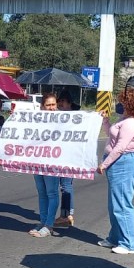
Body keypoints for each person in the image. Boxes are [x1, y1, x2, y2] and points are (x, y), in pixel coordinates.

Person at [96, 87, 134, 253]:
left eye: (122, 101)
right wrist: (106, 121)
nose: (119, 104)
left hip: (124, 163)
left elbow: (120, 148)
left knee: (122, 204)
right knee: (114, 204)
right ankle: (115, 237)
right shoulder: (124, 119)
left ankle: (128, 244)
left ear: (129, 103)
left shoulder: (131, 123)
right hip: (117, 163)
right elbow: (111, 137)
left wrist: (104, 164)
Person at [29, 92, 61, 238]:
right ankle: (43, 221)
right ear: (43, 106)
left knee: (52, 193)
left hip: (53, 162)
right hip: (38, 161)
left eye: (53, 104)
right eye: (48, 105)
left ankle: (49, 225)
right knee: (42, 193)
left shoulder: (64, 119)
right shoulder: (37, 119)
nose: (51, 108)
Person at [54, 89, 77, 228]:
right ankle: (66, 214)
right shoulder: (57, 116)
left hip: (70, 156)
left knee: (66, 185)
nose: (61, 104)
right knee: (64, 186)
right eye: (59, 101)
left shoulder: (75, 118)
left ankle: (66, 215)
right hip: (58, 155)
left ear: (69, 103)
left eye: (64, 101)